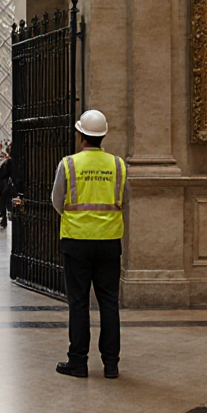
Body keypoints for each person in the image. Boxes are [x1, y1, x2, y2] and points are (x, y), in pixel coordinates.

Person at [50, 109, 127, 379]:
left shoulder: (68, 163)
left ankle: (78, 361)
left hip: (76, 241)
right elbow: (123, 200)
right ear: (103, 135)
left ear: (80, 133)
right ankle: (111, 364)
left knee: (79, 303)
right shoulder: (118, 165)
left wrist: (76, 218)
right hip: (109, 241)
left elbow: (56, 201)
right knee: (109, 303)